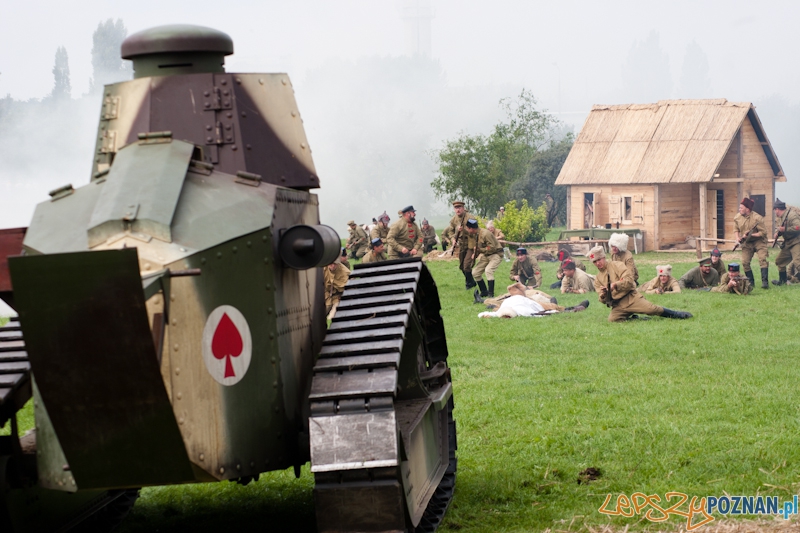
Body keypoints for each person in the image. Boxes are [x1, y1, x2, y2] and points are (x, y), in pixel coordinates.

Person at [589, 245, 691, 322]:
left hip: (631, 298)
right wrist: (604, 294)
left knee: (652, 309)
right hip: (618, 305)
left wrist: (616, 285)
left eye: (599, 259)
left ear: (604, 257)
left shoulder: (617, 265)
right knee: (612, 320)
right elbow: (601, 299)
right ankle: (636, 319)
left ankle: (676, 314)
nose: (598, 263)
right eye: (595, 261)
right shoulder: (598, 279)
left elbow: (629, 280)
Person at [478, 282, 588, 318]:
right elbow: (541, 313)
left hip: (529, 301)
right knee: (553, 308)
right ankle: (575, 307)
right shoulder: (521, 310)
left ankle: (555, 304)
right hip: (530, 304)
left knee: (550, 306)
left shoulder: (514, 301)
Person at [734, 197, 769, 289]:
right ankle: (750, 282)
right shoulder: (737, 217)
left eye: (741, 208)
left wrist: (751, 235)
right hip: (747, 242)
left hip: (759, 241)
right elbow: (736, 229)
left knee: (762, 259)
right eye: (740, 207)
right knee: (745, 262)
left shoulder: (757, 218)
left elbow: (763, 232)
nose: (739, 209)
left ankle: (765, 282)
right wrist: (738, 238)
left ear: (747, 209)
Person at [442, 200, 477, 289]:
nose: (458, 210)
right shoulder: (454, 219)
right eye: (456, 208)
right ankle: (471, 281)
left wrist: (464, 230)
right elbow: (450, 231)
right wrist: (453, 239)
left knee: (466, 265)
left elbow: (475, 231)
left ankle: (468, 283)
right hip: (461, 244)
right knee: (461, 266)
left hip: (470, 243)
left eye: (459, 208)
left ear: (463, 208)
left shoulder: (470, 218)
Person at [468, 219, 503, 298]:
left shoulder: (485, 234)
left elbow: (492, 248)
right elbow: (479, 246)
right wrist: (475, 253)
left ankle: (491, 295)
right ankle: (484, 292)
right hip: (486, 255)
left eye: (468, 228)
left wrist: (480, 250)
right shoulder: (476, 234)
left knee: (488, 270)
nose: (467, 230)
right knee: (475, 272)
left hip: (496, 254)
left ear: (471, 228)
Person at [771, 198, 800, 285]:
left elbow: (798, 227)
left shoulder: (791, 215)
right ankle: (783, 282)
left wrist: (785, 229)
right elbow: (780, 228)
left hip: (796, 242)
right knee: (780, 261)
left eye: (775, 210)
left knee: (798, 263)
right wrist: (777, 233)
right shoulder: (781, 218)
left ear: (777, 209)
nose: (775, 212)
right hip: (788, 243)